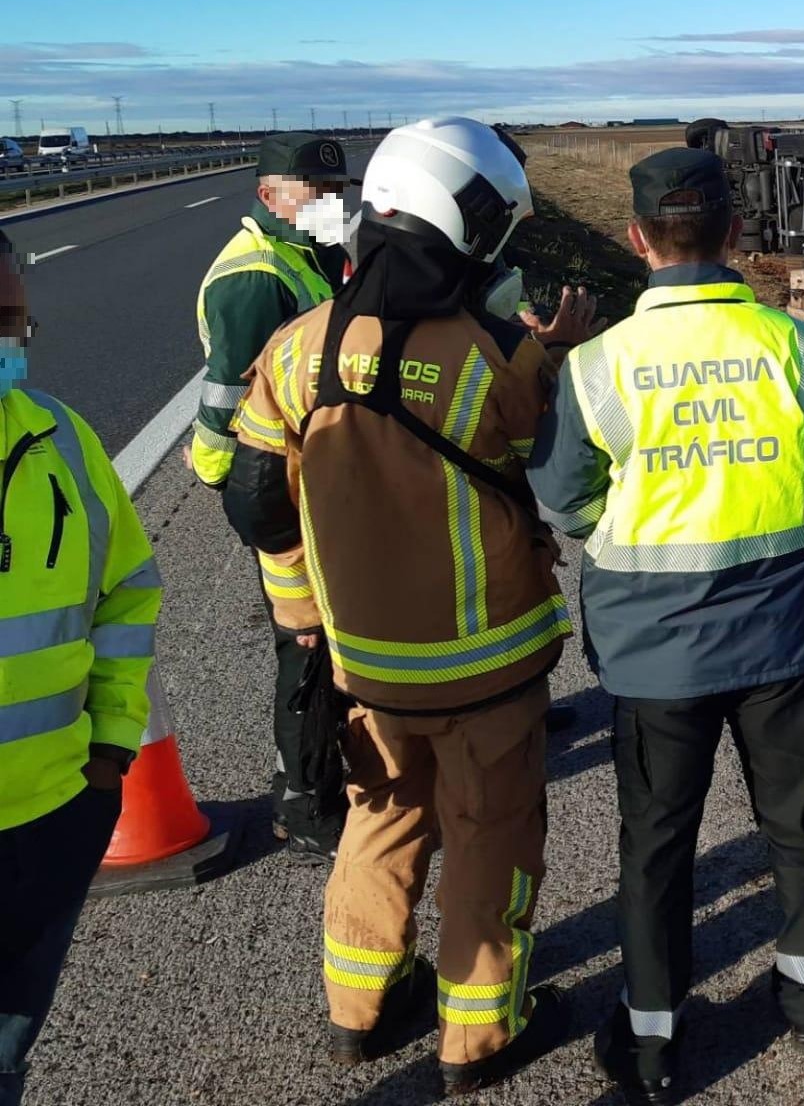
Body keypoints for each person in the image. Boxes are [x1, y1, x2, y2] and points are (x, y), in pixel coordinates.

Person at [223, 117, 597, 1097]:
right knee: (490, 834)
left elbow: (257, 503)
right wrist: (554, 355)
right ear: (469, 231)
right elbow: (560, 480)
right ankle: (478, 1036)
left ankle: (362, 1007)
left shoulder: (296, 349)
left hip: (366, 671)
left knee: (379, 825)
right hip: (489, 666)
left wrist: (304, 618)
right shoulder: (488, 354)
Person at [529, 147, 804, 1106]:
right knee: (797, 821)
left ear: (638, 240)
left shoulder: (599, 366)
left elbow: (563, 503)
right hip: (783, 639)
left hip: (653, 656)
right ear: (732, 235)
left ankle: (653, 1039)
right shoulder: (794, 345)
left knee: (657, 843)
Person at [0, 227, 162, 1106]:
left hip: (56, 821)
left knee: (10, 1048)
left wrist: (111, 754)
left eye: (13, 321)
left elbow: (127, 593)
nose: (6, 340)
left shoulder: (60, 440)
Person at [190, 131, 353, 859]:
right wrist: (244, 501)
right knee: (307, 645)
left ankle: (330, 771)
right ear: (268, 195)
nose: (325, 203)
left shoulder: (309, 254)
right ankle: (306, 801)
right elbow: (226, 407)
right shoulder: (256, 277)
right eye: (309, 192)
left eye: (333, 191)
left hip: (319, 481)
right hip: (280, 493)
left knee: (332, 638)